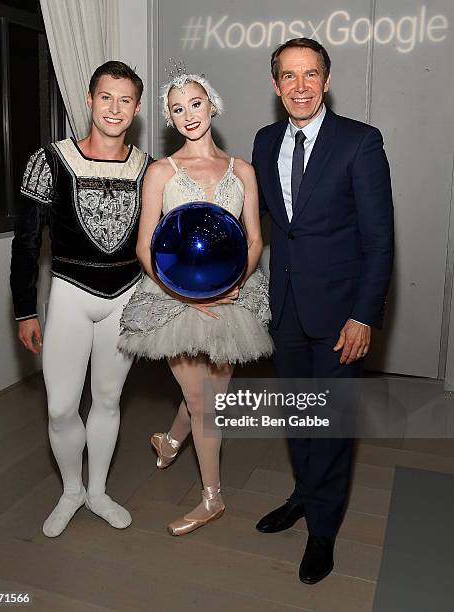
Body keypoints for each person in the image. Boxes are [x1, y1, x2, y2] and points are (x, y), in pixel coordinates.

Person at [252, 38, 394, 584]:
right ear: (275, 85)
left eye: (311, 74)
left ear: (326, 80)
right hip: (284, 307)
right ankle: (305, 496)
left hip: (340, 314)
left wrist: (364, 315)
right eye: (289, 76)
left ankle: (324, 530)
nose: (300, 86)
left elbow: (380, 241)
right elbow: (257, 218)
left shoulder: (360, 142)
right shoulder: (265, 142)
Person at [118, 70, 272, 536]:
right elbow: (145, 247)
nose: (188, 114)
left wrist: (231, 286)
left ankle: (169, 441)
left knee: (210, 401)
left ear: (212, 106)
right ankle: (212, 499)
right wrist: (185, 294)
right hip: (173, 299)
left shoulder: (242, 170)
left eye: (196, 103)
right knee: (203, 402)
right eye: (178, 108)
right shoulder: (161, 172)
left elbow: (254, 239)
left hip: (232, 296)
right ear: (168, 117)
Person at [10, 61, 151, 537]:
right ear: (89, 100)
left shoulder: (148, 167)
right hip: (69, 294)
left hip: (125, 299)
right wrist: (26, 309)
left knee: (109, 400)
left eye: (125, 100)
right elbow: (26, 243)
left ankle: (98, 491)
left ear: (136, 109)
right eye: (106, 97)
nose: (115, 108)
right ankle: (71, 489)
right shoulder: (48, 160)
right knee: (60, 407)